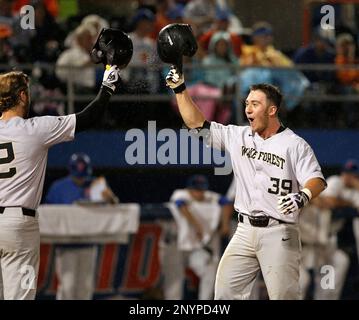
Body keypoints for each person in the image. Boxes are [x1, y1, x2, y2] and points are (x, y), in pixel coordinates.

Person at [165, 65, 327, 299]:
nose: (248, 109)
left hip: (279, 231)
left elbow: (317, 180)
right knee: (224, 295)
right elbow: (197, 125)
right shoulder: (239, 135)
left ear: (272, 110)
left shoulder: (294, 144)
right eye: (247, 103)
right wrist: (180, 89)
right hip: (244, 231)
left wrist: (302, 196)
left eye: (255, 104)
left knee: (284, 297)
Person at [0, 28, 128, 299]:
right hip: (18, 224)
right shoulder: (35, 128)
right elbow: (89, 117)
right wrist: (108, 82)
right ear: (22, 96)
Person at [45, 152, 118, 300]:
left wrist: (110, 197)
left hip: (88, 242)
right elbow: (48, 215)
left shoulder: (96, 184)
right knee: (68, 287)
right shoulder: (58, 187)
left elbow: (114, 207)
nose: (80, 179)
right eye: (77, 175)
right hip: (66, 244)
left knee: (85, 288)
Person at [160, 175, 232, 300]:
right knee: (174, 283)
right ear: (189, 189)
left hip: (196, 247)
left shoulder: (209, 197)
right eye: (196, 190)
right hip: (176, 246)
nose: (199, 193)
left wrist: (225, 224)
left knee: (210, 269)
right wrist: (197, 226)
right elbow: (180, 204)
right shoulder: (181, 194)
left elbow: (226, 202)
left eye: (201, 190)